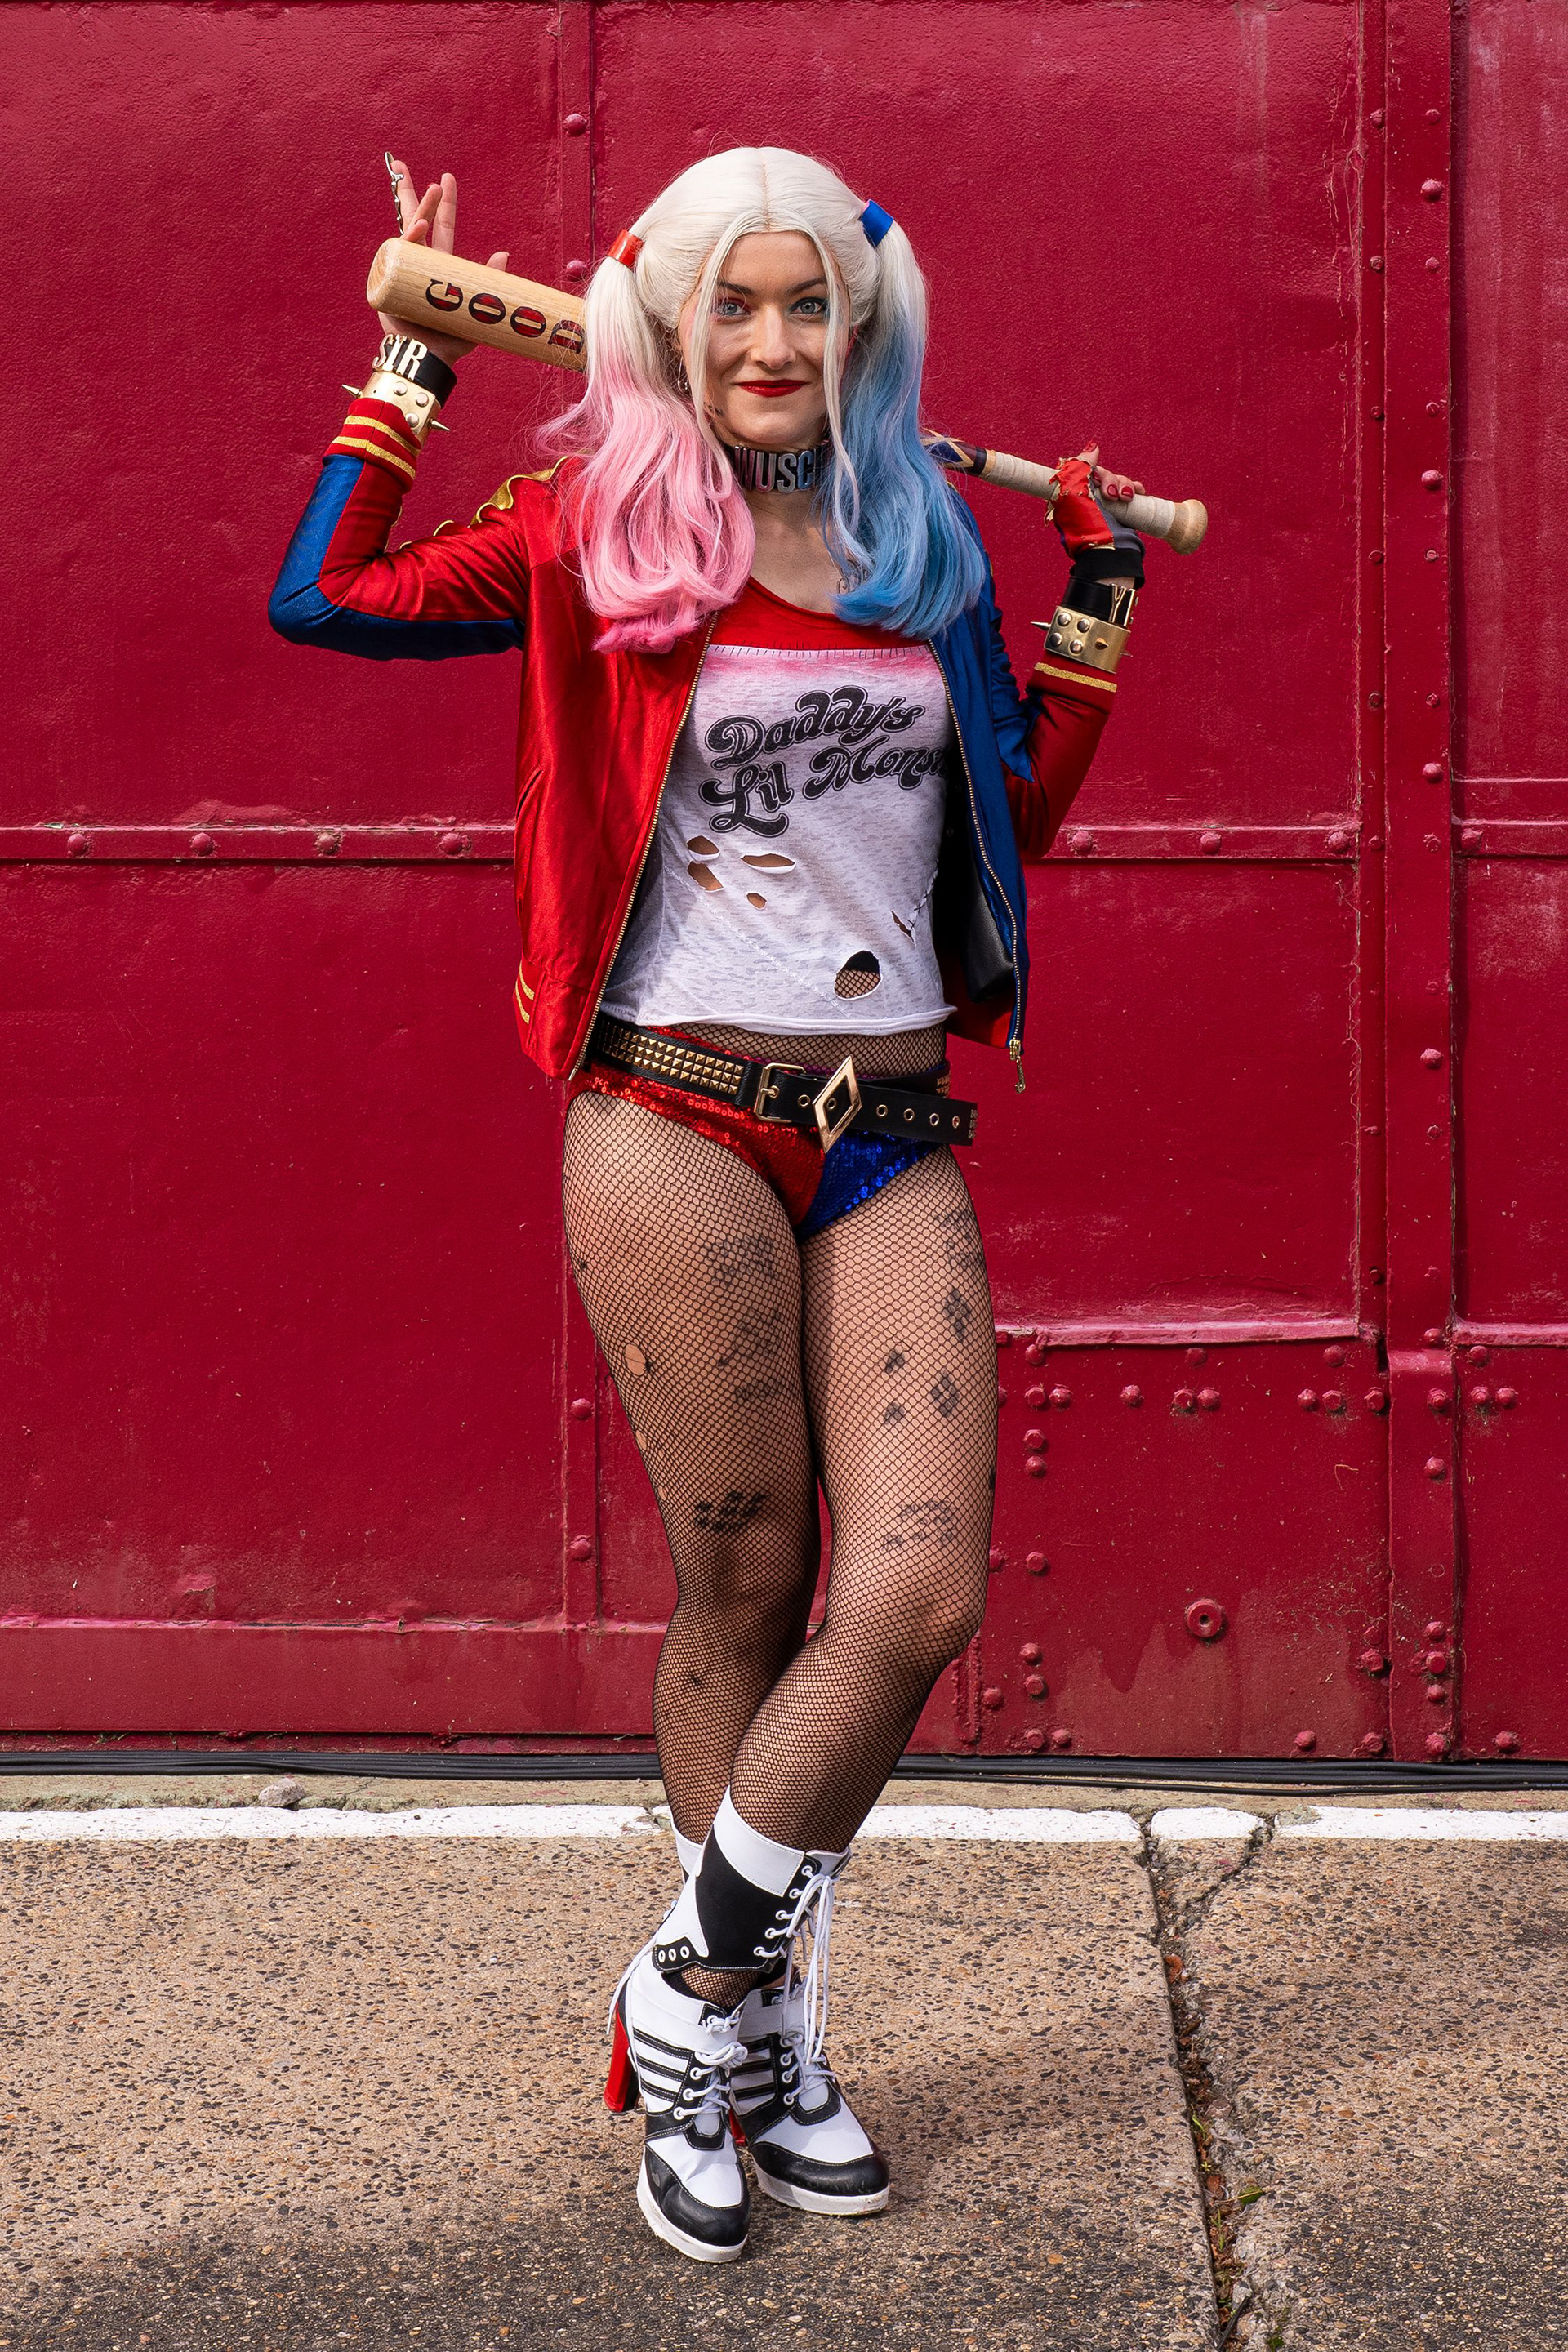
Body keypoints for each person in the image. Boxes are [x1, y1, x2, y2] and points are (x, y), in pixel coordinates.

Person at [271, 144, 1146, 2265]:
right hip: (676, 1114)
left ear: (864, 325)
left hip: (888, 1121)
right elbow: (326, 597)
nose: (770, 339)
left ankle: (686, 1987)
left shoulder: (924, 544)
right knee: (746, 1590)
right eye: (730, 302)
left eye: (808, 303)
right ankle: (758, 2045)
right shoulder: (597, 527)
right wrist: (406, 367)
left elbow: (1002, 815)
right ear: (673, 318)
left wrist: (1099, 602)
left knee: (914, 1592)